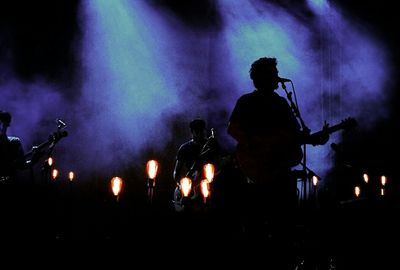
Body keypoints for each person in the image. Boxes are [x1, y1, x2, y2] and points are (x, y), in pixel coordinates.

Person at [227, 57, 329, 266]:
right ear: (261, 77)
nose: (276, 77)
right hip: (257, 172)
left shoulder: (282, 103)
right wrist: (257, 143)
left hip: (280, 172)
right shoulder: (247, 101)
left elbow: (292, 136)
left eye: (275, 72)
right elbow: (233, 129)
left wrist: (314, 138)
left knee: (284, 226)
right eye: (272, 73)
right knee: (256, 226)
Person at [0, 110, 27, 184]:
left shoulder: (15, 142)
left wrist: (35, 157)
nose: (1, 127)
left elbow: (23, 166)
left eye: (3, 124)